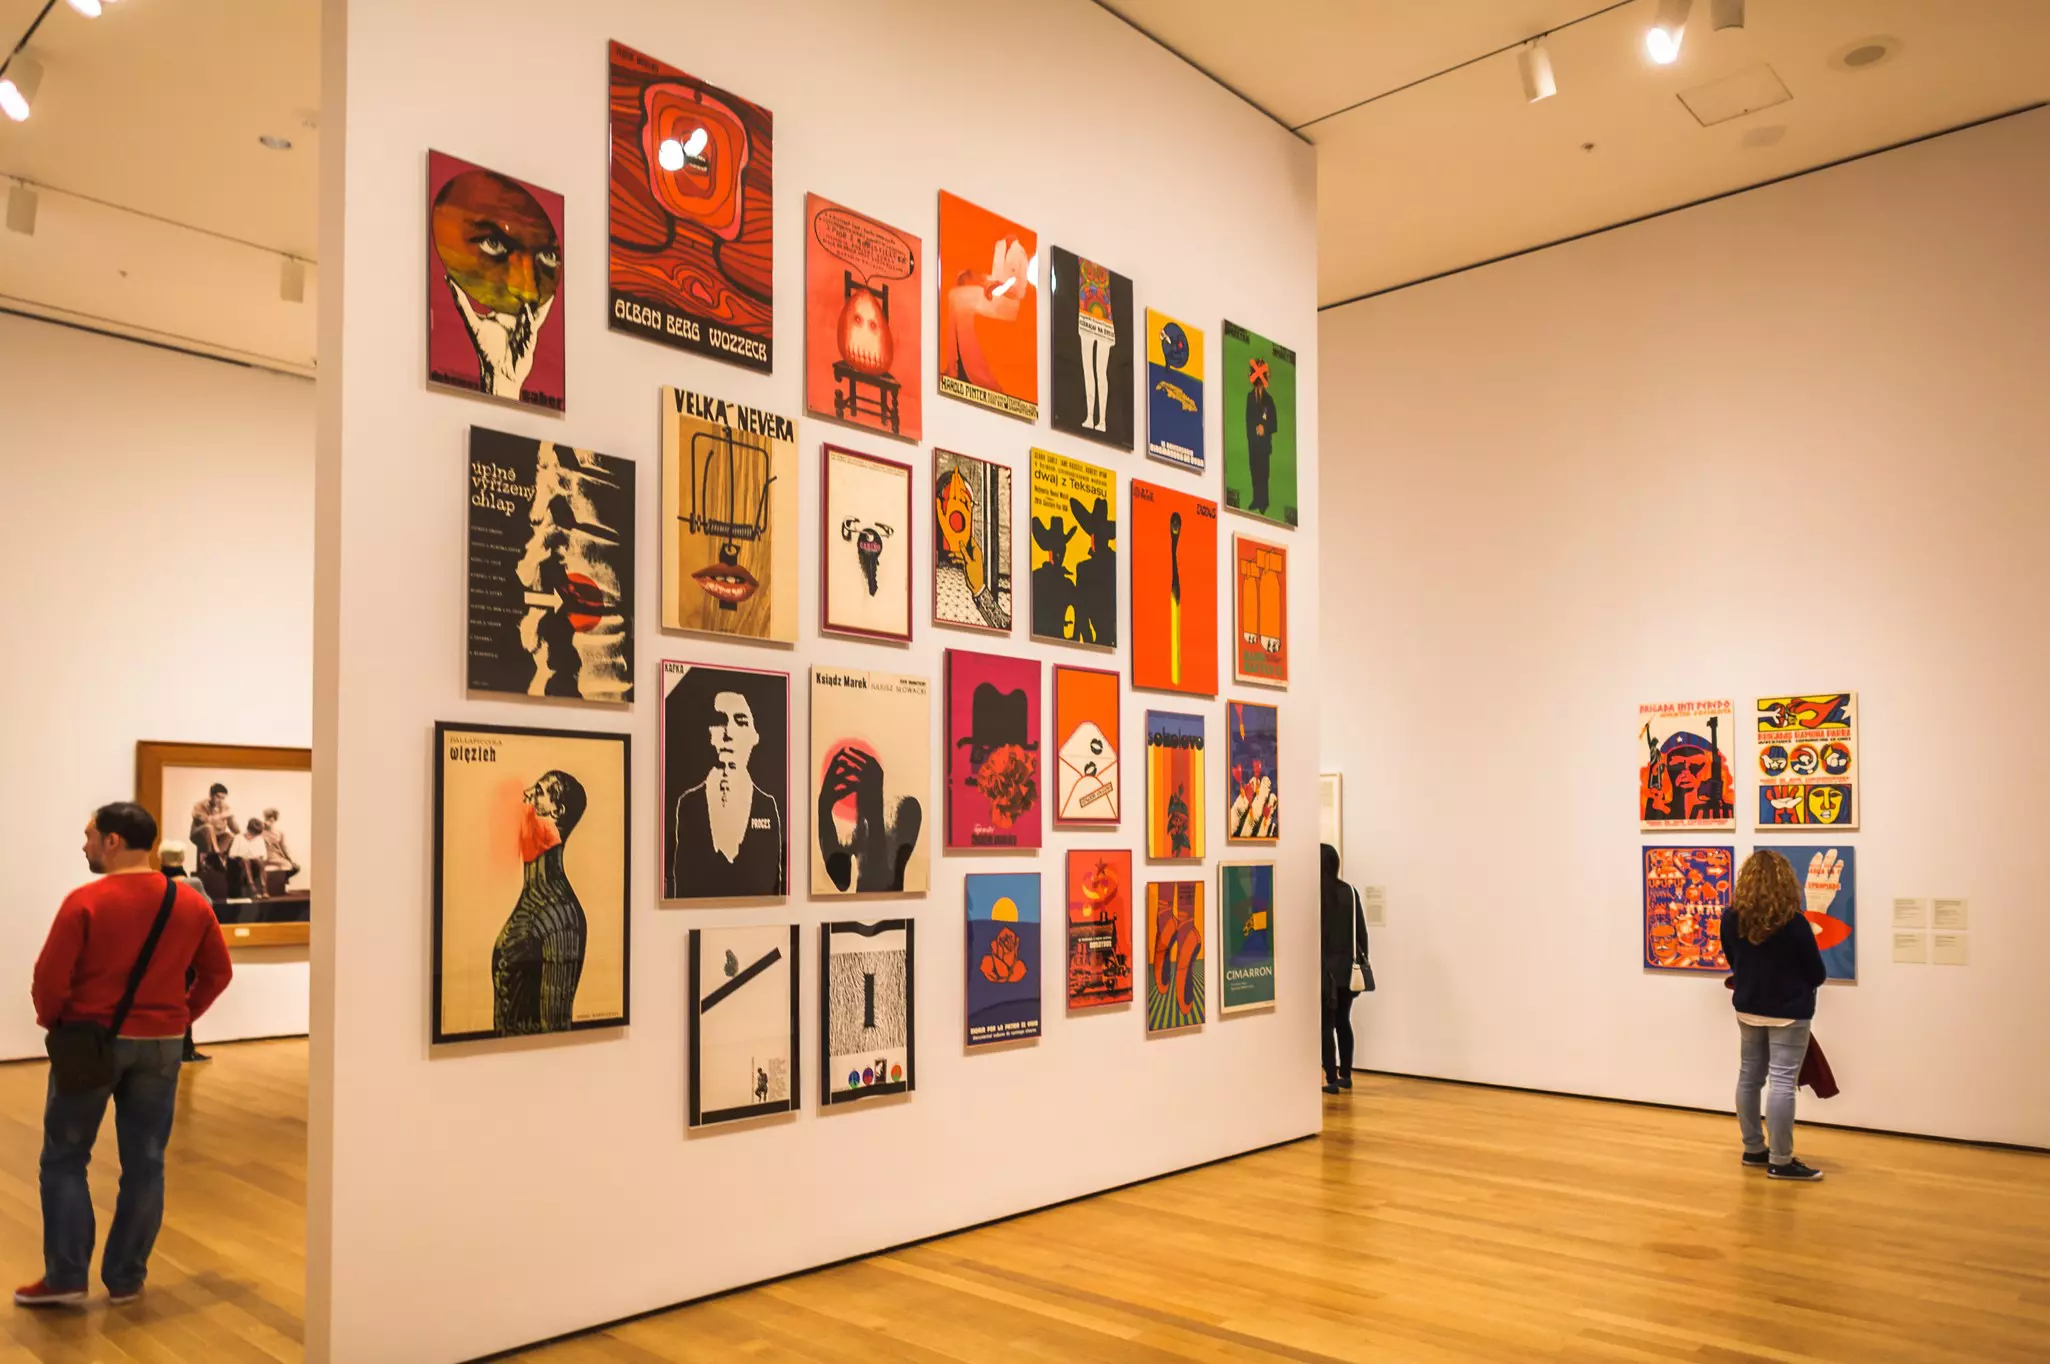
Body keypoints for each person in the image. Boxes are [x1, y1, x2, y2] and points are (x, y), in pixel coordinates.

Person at [17, 802, 233, 1309]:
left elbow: (49, 979)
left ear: (113, 841)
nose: (85, 844)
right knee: (146, 1163)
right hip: (159, 1046)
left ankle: (67, 1276)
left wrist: (57, 1024)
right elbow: (217, 973)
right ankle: (126, 1278)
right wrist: (180, 1016)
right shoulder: (190, 903)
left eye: (90, 835)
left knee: (66, 1160)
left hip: (91, 1042)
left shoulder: (85, 901)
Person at [1722, 849, 1828, 1182]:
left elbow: (1732, 959)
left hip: (1748, 1008)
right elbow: (1816, 971)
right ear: (1786, 883)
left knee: (1749, 1077)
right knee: (1782, 1082)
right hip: (1788, 1012)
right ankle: (1781, 1161)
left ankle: (1754, 1149)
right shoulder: (1793, 922)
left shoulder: (1731, 917)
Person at [155, 842, 215, 1065]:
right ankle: (184, 1049)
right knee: (184, 999)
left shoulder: (155, 883)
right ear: (182, 859)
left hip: (159, 952)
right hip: (185, 952)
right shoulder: (193, 884)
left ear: (161, 858)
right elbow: (208, 909)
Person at [1319, 843, 1372, 1095]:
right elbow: (1361, 934)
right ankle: (1346, 1074)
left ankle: (1329, 1077)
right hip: (1347, 970)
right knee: (1343, 1021)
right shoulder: (1349, 892)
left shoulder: (1316, 894)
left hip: (1324, 970)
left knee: (1326, 1024)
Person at [228, 818, 269, 900]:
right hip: (240, 862)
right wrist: (243, 856)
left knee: (259, 861)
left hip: (255, 862)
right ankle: (252, 887)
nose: (254, 836)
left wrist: (255, 857)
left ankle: (264, 888)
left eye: (256, 834)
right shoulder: (239, 837)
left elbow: (264, 855)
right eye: (253, 833)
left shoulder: (259, 839)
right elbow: (231, 854)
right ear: (248, 829)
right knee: (246, 860)